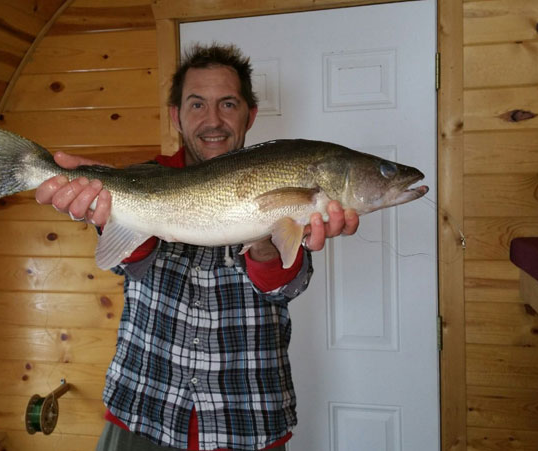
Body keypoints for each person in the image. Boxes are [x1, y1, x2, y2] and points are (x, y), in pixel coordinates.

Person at [35, 44, 359, 451]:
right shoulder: (145, 179)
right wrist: (105, 211)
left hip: (246, 421)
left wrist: (268, 244)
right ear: (176, 115)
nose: (213, 120)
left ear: (250, 114)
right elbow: (126, 264)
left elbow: (284, 289)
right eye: (196, 104)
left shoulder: (280, 178)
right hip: (140, 412)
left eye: (228, 103)